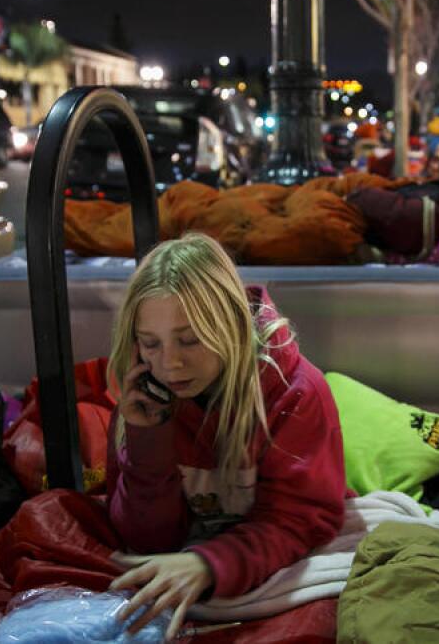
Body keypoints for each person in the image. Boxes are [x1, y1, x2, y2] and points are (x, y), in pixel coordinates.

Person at [106, 233, 347, 638]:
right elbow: (144, 540)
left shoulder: (298, 393)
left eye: (190, 339)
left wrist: (208, 564)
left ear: (232, 324)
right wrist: (148, 441)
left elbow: (300, 520)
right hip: (195, 556)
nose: (170, 364)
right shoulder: (144, 400)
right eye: (150, 343)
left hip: (270, 561)